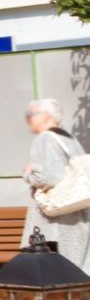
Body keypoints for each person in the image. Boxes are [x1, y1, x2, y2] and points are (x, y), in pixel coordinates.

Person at [24, 98, 88, 261]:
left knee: (56, 276)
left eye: (31, 115)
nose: (28, 119)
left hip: (55, 225)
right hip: (77, 217)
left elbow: (48, 178)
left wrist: (28, 173)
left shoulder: (45, 139)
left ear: (46, 116)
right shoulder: (69, 139)